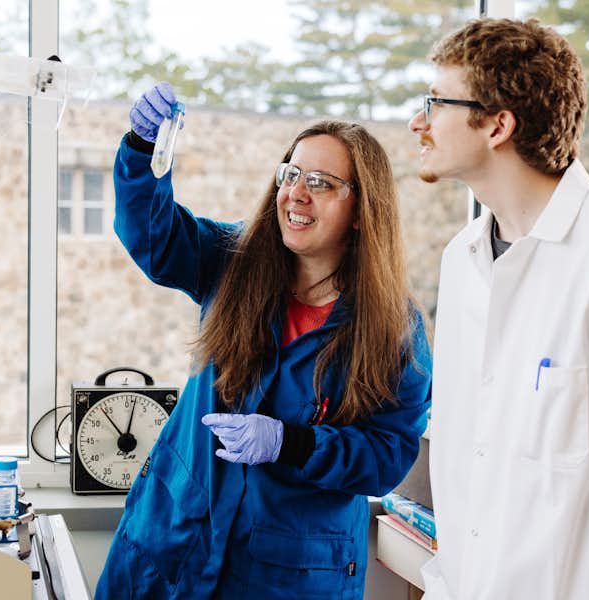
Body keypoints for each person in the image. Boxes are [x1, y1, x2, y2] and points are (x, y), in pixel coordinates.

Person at [95, 82, 432, 600]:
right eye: (290, 174)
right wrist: (144, 151)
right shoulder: (232, 262)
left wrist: (290, 442)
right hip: (175, 541)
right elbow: (152, 236)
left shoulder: (392, 329)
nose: (296, 193)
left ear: (362, 208)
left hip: (288, 573)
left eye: (319, 182)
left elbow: (388, 456)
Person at [409, 17, 589, 600]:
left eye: (434, 103)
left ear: (497, 125)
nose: (418, 122)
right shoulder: (463, 258)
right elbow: (463, 450)